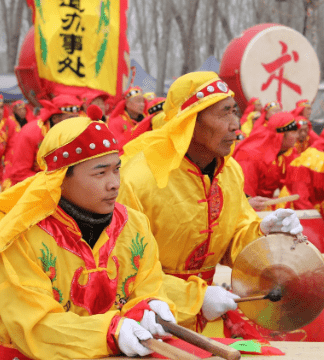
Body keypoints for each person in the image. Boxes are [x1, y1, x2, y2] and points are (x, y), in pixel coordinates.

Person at [0, 114, 208, 359]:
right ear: (60, 180)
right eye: (100, 173)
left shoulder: (135, 225)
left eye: (116, 170)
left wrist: (151, 305)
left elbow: (147, 286)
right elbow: (34, 326)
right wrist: (108, 333)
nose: (114, 184)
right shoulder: (21, 237)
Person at [117, 72, 302, 333]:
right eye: (223, 113)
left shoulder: (230, 171)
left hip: (210, 314)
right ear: (189, 121)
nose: (235, 124)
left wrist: (264, 233)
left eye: (235, 112)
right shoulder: (138, 179)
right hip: (148, 320)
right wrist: (193, 297)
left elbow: (234, 239)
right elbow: (123, 270)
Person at [3, 95, 80, 189]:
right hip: (28, 189)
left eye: (77, 118)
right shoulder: (31, 133)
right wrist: (53, 183)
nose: (76, 123)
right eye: (71, 118)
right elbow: (20, 173)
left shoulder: (75, 132)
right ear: (55, 118)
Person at [234, 112, 300, 199]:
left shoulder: (285, 152)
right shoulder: (249, 155)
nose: (297, 136)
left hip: (264, 205)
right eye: (293, 132)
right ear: (280, 135)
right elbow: (245, 197)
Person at [0, 97, 21, 189]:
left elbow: (11, 150)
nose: (0, 111)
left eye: (1, 107)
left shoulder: (9, 124)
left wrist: (6, 176)